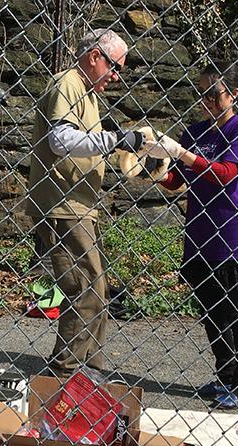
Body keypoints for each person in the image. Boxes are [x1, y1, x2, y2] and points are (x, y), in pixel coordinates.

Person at [27, 29, 154, 377]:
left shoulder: (87, 92)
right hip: (62, 204)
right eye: (114, 66)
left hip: (80, 205)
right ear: (94, 56)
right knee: (85, 288)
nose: (116, 76)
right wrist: (116, 139)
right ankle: (65, 372)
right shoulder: (67, 83)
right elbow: (60, 140)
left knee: (96, 288)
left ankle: (89, 368)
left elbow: (83, 141)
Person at [143, 60, 238, 408]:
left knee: (235, 310)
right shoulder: (195, 132)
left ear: (234, 94)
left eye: (214, 93)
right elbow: (177, 181)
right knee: (211, 311)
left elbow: (227, 173)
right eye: (202, 93)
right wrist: (150, 170)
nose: (206, 100)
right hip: (200, 236)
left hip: (233, 237)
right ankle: (225, 375)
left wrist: (185, 155)